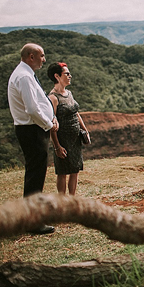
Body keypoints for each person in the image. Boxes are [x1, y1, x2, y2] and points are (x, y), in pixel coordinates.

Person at [7, 43, 59, 235]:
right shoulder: (24, 77)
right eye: (42, 56)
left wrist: (51, 118)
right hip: (32, 130)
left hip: (33, 128)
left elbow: (38, 102)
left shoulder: (25, 74)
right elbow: (31, 109)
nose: (44, 59)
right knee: (35, 175)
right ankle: (32, 221)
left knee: (35, 173)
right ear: (31, 56)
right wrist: (49, 124)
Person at [47, 62, 89, 196]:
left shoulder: (69, 93)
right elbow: (51, 125)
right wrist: (57, 146)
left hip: (75, 138)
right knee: (62, 172)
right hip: (63, 139)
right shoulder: (53, 98)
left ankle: (72, 198)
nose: (70, 76)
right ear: (57, 76)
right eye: (67, 74)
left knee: (75, 170)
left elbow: (76, 113)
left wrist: (84, 129)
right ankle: (62, 201)